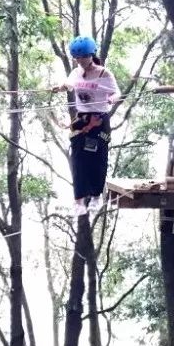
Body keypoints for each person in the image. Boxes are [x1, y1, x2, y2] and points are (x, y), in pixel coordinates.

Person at [54, 35, 121, 218]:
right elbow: (69, 84)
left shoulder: (103, 73)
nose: (80, 61)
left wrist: (111, 99)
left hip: (100, 120)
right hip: (81, 120)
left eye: (83, 57)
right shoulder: (76, 73)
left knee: (98, 157)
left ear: (91, 55)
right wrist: (61, 87)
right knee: (78, 159)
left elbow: (117, 92)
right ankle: (79, 200)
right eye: (77, 58)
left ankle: (96, 195)